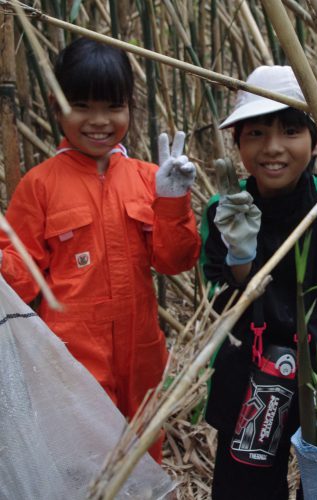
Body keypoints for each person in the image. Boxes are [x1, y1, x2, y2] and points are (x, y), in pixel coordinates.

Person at [0, 38, 200, 462]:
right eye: (82, 106)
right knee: (84, 458)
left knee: (144, 457)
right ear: (55, 108)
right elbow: (20, 274)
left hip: (142, 351)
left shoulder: (149, 177)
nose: (99, 121)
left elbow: (175, 260)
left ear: (129, 107)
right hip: (72, 355)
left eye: (113, 106)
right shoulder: (40, 185)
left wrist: (172, 200)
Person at [201, 65, 317, 499]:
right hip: (252, 381)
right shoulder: (224, 211)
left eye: (291, 131)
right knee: (245, 490)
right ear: (238, 144)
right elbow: (221, 293)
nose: (273, 148)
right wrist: (241, 257)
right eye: (256, 133)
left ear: (316, 141)